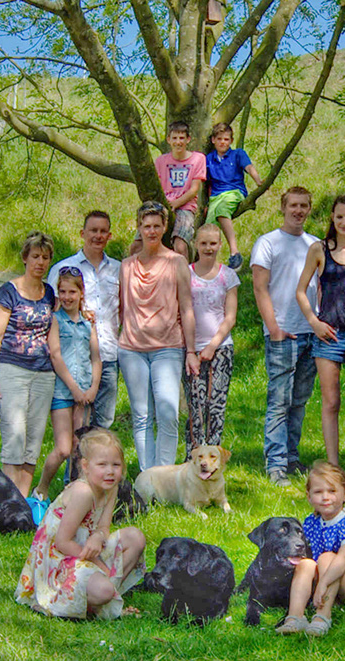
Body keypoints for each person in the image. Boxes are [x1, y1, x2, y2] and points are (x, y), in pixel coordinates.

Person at [16, 428, 149, 620]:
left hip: (84, 549)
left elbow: (103, 527)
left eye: (116, 465)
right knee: (104, 590)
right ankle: (82, 597)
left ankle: (103, 596)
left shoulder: (110, 486)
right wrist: (100, 565)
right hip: (59, 558)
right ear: (85, 466)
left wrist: (98, 537)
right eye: (102, 464)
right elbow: (62, 542)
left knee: (135, 538)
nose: (110, 471)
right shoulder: (83, 493)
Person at [119, 201, 199, 470]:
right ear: (139, 228)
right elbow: (121, 307)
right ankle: (146, 477)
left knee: (168, 413)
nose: (151, 231)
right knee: (142, 416)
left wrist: (191, 351)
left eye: (156, 226)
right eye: (146, 226)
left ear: (165, 227)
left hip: (168, 347)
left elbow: (187, 308)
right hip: (131, 349)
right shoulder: (127, 266)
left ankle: (163, 475)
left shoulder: (177, 262)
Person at [297, 195, 345, 481]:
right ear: (332, 217)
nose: (344, 222)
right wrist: (314, 322)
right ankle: (333, 467)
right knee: (330, 403)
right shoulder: (319, 249)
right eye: (339, 217)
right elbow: (300, 291)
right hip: (329, 335)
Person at [252, 187, 322, 485]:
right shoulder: (268, 243)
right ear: (283, 208)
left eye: (304, 205)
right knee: (279, 401)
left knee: (300, 400)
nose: (298, 210)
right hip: (282, 332)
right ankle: (276, 463)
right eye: (293, 205)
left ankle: (292, 458)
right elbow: (259, 287)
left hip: (311, 332)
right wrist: (274, 328)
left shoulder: (315, 244)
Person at [280, 461, 345, 636]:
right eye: (318, 492)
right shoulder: (311, 522)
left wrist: (322, 583)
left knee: (327, 558)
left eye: (332, 491)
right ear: (308, 496)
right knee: (305, 564)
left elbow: (343, 560)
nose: (325, 497)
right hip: (326, 580)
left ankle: (322, 617)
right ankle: (295, 617)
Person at [0, 232, 60, 495]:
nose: (40, 262)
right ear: (25, 258)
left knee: (33, 441)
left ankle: (24, 504)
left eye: (45, 257)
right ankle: (10, 501)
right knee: (14, 438)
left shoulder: (49, 293)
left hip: (43, 373)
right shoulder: (8, 292)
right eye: (35, 256)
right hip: (12, 369)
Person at [48, 210, 122, 430]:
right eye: (93, 230)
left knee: (103, 424)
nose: (98, 236)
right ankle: (76, 455)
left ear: (109, 235)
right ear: (82, 233)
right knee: (76, 427)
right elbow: (54, 311)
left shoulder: (119, 269)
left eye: (103, 231)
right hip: (73, 359)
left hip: (107, 355)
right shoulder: (63, 269)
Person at [32, 267, 100, 499]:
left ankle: (73, 492)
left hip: (85, 392)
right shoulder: (55, 320)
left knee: (79, 447)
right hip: (63, 391)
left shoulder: (88, 323)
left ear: (81, 293)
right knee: (63, 448)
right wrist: (74, 389)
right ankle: (41, 489)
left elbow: (96, 358)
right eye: (62, 292)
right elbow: (56, 355)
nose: (67, 297)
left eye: (72, 292)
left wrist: (93, 387)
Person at [184, 225, 240, 453]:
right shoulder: (186, 273)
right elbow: (183, 310)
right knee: (195, 405)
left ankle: (213, 455)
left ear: (220, 245)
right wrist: (191, 350)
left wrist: (213, 345)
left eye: (213, 243)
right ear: (196, 244)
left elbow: (230, 317)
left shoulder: (228, 275)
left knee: (216, 405)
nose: (208, 248)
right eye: (204, 243)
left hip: (221, 347)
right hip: (191, 348)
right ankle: (194, 456)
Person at [205, 121, 261, 268]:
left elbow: (249, 167)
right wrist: (207, 203)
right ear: (213, 140)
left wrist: (258, 181)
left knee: (222, 210)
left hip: (234, 192)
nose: (222, 142)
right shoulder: (209, 159)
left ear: (231, 141)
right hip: (216, 196)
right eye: (219, 139)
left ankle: (234, 253)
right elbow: (208, 183)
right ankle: (209, 264)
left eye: (226, 139)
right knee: (208, 228)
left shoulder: (237, 154)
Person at [155, 121, 208, 254]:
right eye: (174, 138)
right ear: (168, 140)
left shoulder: (198, 159)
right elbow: (158, 187)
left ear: (188, 139)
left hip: (185, 207)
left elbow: (194, 190)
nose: (178, 142)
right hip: (163, 205)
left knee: (180, 245)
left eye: (181, 138)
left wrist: (175, 204)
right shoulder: (161, 161)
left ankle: (185, 267)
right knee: (138, 244)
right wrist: (165, 205)